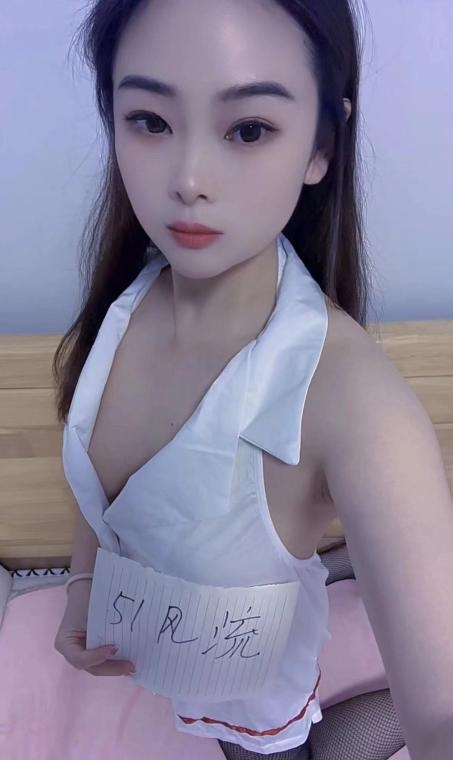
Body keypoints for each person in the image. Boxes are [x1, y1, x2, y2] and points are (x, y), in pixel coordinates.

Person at [53, 1, 453, 759]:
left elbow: (442, 707)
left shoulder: (354, 404)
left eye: (248, 130)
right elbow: (105, 498)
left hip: (252, 695)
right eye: (149, 121)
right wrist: (82, 584)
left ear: (320, 145)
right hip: (170, 650)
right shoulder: (126, 301)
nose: (188, 180)